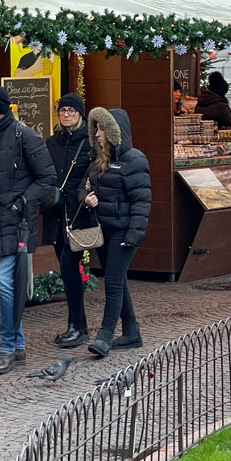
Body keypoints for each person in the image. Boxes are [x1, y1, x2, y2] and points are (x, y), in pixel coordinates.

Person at [0, 84, 56, 375]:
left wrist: (21, 203)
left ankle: (7, 348)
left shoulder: (24, 135)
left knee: (4, 283)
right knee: (5, 285)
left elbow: (47, 178)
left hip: (15, 222)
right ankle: (17, 347)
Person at [82, 107, 151, 358]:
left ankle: (105, 335)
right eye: (96, 128)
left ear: (114, 131)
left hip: (123, 232)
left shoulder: (135, 160)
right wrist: (87, 197)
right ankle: (131, 332)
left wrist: (133, 237)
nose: (97, 134)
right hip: (104, 230)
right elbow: (84, 187)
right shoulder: (98, 161)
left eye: (102, 129)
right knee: (118, 280)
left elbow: (141, 202)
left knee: (112, 282)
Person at [43, 93, 94, 348]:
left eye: (71, 111)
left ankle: (78, 327)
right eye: (62, 110)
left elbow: (94, 174)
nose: (66, 115)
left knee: (69, 266)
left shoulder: (89, 142)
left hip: (79, 214)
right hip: (56, 214)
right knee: (67, 269)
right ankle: (76, 325)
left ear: (80, 114)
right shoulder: (52, 142)